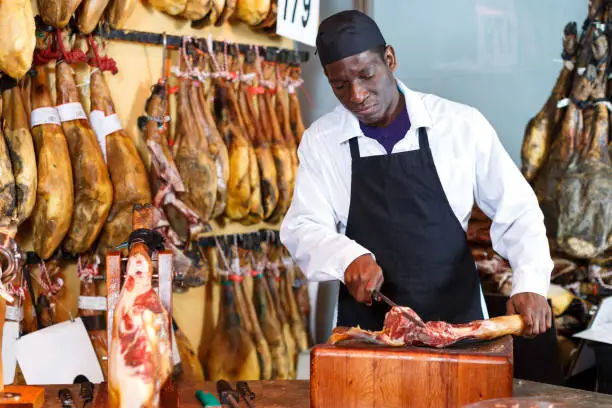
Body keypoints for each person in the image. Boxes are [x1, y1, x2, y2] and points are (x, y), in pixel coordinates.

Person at [279, 10, 553, 337]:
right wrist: (347, 258)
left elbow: (518, 210)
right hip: (369, 334)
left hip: (459, 327)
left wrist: (531, 282)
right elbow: (303, 226)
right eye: (340, 85)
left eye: (366, 75)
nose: (357, 95)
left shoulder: (460, 125)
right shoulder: (322, 142)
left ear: (390, 59)